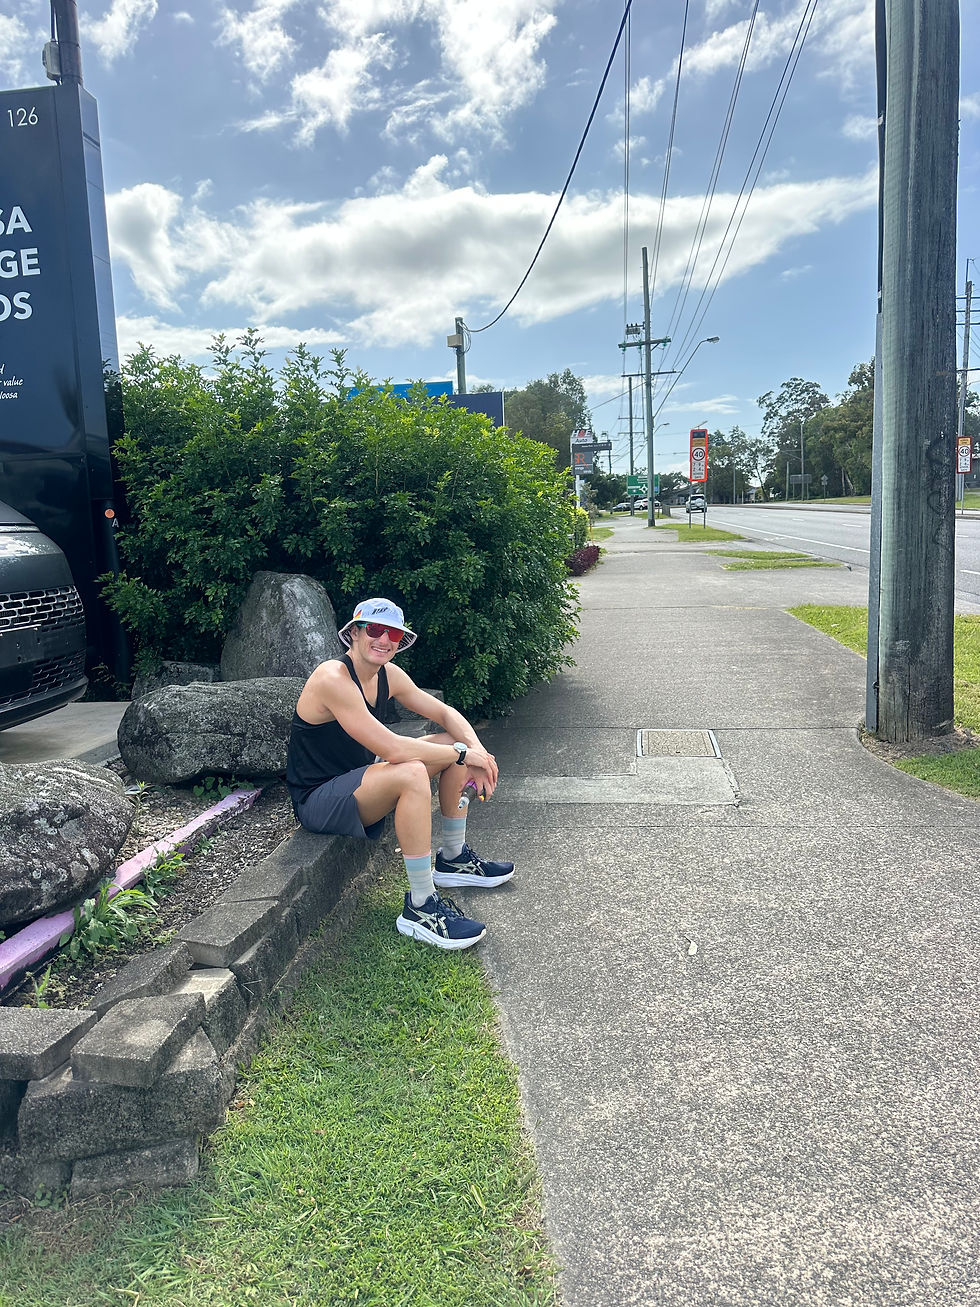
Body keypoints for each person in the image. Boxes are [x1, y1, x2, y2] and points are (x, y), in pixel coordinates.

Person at [286, 597, 514, 951]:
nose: (384, 640)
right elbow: (393, 749)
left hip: (360, 778)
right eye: (375, 630)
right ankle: (420, 907)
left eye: (392, 633)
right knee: (413, 771)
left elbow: (445, 712)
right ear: (356, 634)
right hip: (318, 798)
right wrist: (464, 753)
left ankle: (453, 859)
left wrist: (476, 751)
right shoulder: (331, 677)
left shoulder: (387, 674)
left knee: (454, 743)